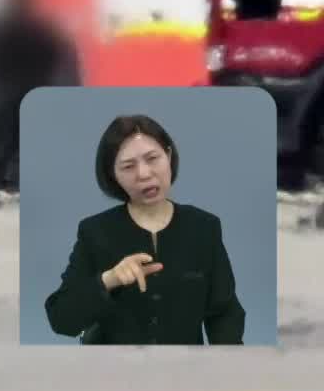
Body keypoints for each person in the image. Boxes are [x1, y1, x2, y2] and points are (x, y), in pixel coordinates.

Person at [43, 114, 246, 345]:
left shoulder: (204, 227)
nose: (144, 174)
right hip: (113, 375)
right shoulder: (95, 232)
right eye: (128, 166)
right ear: (113, 175)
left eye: (152, 159)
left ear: (168, 156)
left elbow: (223, 313)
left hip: (184, 373)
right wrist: (109, 280)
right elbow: (61, 320)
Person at [0, 0, 78, 205]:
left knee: (1, 145)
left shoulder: (3, 23)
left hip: (8, 92)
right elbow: (56, 55)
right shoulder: (42, 23)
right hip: (37, 90)